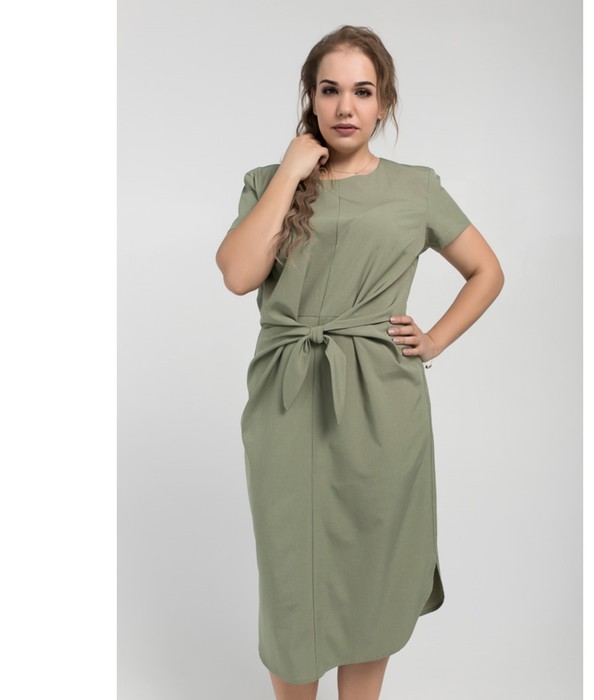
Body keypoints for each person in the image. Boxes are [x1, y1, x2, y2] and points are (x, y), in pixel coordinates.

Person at [215, 24, 504, 700]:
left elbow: (486, 271)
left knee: (372, 570)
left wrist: (435, 339)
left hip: (382, 402)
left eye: (363, 91)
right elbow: (237, 274)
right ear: (311, 99)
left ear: (384, 103)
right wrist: (291, 171)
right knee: (292, 578)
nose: (346, 106)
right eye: (330, 90)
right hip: (286, 398)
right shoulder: (266, 181)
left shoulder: (415, 188)